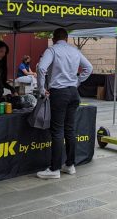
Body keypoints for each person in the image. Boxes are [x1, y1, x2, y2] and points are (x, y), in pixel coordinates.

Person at [36, 28, 93, 179]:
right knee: (70, 130)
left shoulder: (52, 50)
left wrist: (41, 89)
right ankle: (70, 165)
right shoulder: (75, 51)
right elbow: (89, 67)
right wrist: (77, 81)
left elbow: (41, 68)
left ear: (54, 38)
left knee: (57, 131)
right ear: (67, 39)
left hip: (59, 93)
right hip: (74, 93)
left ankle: (54, 169)